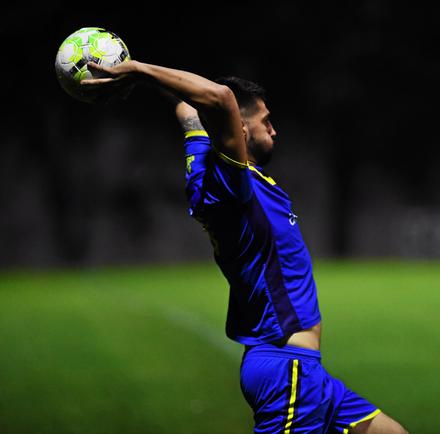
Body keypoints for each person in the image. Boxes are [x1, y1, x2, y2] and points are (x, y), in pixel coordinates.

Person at [81, 60, 408, 434]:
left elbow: (189, 108)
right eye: (265, 120)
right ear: (238, 126)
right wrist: (137, 69)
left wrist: (138, 83)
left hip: (303, 370)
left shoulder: (206, 162)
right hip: (288, 370)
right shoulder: (232, 185)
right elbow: (219, 98)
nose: (274, 128)